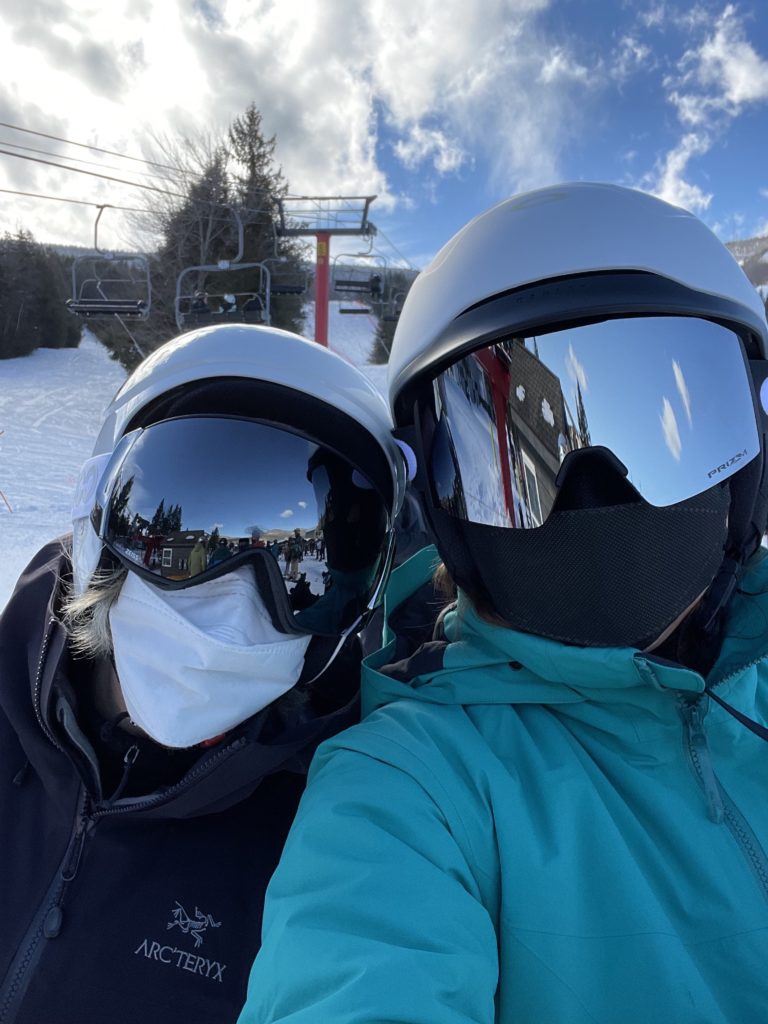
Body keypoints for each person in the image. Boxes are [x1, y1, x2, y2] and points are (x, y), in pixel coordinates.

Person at [241, 184, 768, 1023]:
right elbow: (357, 967)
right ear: (447, 514)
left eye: (663, 437)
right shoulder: (419, 780)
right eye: (522, 475)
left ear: (748, 473)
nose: (598, 498)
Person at [0, 322, 408, 1024]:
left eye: (302, 568)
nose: (236, 605)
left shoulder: (327, 843)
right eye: (195, 542)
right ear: (98, 520)